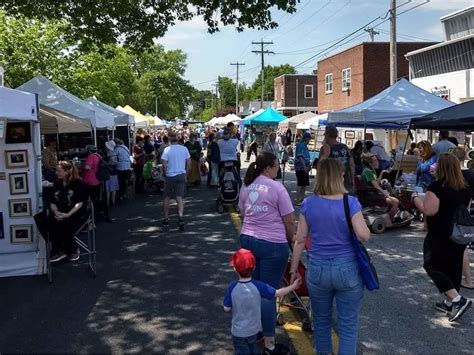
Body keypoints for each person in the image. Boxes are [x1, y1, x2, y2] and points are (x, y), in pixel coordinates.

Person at [289, 158, 370, 354]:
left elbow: (300, 239)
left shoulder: (309, 204)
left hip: (318, 268)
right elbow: (364, 235)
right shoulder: (350, 202)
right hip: (347, 268)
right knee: (348, 326)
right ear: (339, 177)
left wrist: (293, 269)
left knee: (322, 323)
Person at [238, 152, 295, 353]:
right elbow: (289, 221)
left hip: (248, 240)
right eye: (277, 165)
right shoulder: (277, 188)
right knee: (268, 294)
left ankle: (255, 332)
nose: (278, 168)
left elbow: (243, 212)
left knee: (253, 289)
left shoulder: (247, 185)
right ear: (268, 167)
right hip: (272, 243)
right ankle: (270, 344)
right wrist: (293, 240)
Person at [412, 153, 472, 322]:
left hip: (440, 233)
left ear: (442, 167)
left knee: (431, 264)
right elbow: (464, 209)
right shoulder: (465, 188)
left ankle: (457, 299)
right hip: (458, 233)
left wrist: (415, 198)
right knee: (453, 267)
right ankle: (449, 302)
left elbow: (429, 210)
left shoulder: (436, 187)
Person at [224, 248, 302, 355]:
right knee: (253, 350)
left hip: (238, 331)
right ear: (254, 268)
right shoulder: (259, 286)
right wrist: (293, 286)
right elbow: (277, 293)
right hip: (254, 330)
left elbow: (226, 308)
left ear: (235, 269)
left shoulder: (232, 287)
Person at [49, 161, 88, 262]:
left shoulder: (78, 183)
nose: (56, 173)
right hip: (60, 212)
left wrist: (67, 214)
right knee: (47, 222)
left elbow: (80, 203)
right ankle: (61, 250)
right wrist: (56, 211)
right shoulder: (57, 183)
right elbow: (52, 201)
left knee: (63, 223)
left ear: (67, 172)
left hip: (75, 213)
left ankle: (70, 250)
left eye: (59, 171)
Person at [452, 147, 474, 290]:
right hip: (470, 209)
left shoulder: (458, 176)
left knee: (462, 246)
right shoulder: (469, 174)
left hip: (464, 214)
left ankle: (468, 279)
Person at [161, 132, 191, 230]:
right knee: (179, 197)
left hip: (170, 175)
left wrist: (165, 173)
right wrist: (186, 174)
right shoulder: (184, 149)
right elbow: (189, 162)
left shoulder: (167, 150)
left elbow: (164, 163)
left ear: (169, 139)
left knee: (167, 197)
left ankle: (166, 218)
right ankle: (181, 217)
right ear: (177, 139)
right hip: (181, 174)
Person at [360, 153, 401, 222]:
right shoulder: (367, 171)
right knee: (395, 201)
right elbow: (376, 186)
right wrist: (387, 195)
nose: (377, 162)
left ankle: (390, 217)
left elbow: (377, 182)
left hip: (374, 193)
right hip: (371, 195)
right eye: (375, 160)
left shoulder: (371, 170)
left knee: (394, 200)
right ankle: (390, 219)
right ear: (370, 163)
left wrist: (382, 172)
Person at [320, 125, 355, 192]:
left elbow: (321, 164)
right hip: (345, 178)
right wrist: (352, 179)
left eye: (325, 133)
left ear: (327, 135)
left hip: (331, 180)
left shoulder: (326, 147)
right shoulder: (345, 147)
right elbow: (351, 164)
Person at [294, 131, 312, 205]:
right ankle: (297, 200)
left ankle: (301, 199)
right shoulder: (301, 145)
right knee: (300, 184)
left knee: (304, 184)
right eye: (309, 139)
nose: (309, 141)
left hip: (305, 167)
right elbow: (300, 156)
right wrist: (304, 166)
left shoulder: (304, 145)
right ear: (306, 139)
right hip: (301, 167)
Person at [104, 140, 119, 207]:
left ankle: (107, 201)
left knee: (108, 187)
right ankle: (112, 200)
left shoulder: (109, 153)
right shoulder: (114, 152)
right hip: (114, 171)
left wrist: (105, 163)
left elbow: (110, 163)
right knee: (113, 187)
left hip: (109, 171)